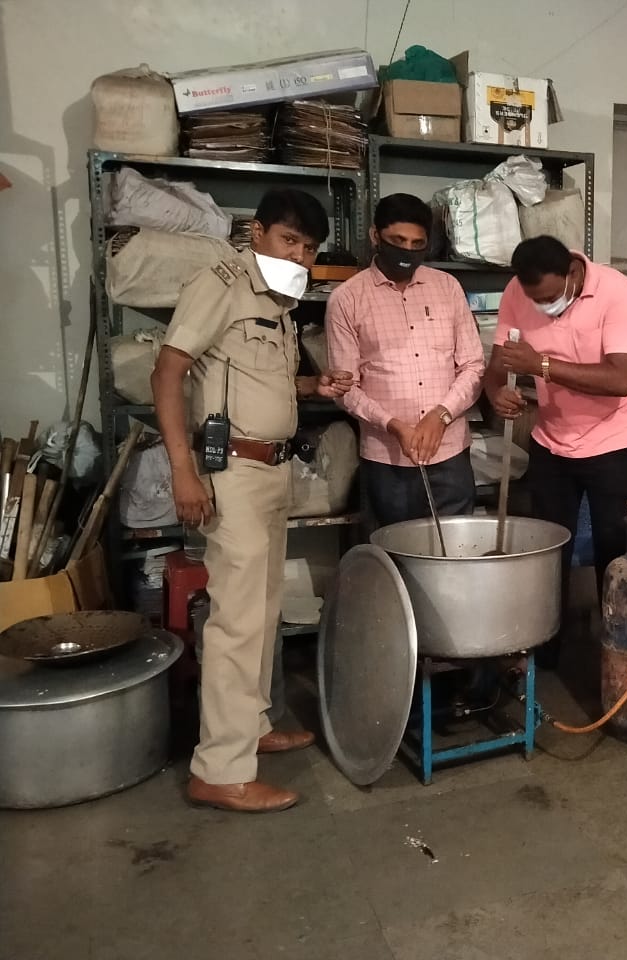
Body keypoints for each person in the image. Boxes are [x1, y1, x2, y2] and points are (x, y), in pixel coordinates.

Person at [152, 188, 353, 812]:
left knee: (263, 612)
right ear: (258, 232)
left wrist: (313, 383)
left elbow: (254, 377)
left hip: (270, 472)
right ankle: (219, 769)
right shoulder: (222, 280)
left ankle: (253, 730)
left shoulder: (278, 301)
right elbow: (168, 370)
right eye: (290, 240)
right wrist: (184, 472)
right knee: (239, 621)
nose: (300, 254)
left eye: (311, 248)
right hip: (229, 472)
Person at [484, 236, 627, 667]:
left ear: (573, 273)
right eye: (534, 299)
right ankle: (546, 650)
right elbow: (500, 362)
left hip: (608, 441)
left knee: (612, 551)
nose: (540, 306)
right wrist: (496, 392)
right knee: (548, 549)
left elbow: (619, 380)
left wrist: (543, 366)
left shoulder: (616, 291)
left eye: (550, 297)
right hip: (550, 441)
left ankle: (620, 648)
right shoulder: (519, 291)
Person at [325, 193, 485, 525]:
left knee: (453, 554)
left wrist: (440, 416)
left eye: (417, 244)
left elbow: (472, 366)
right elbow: (346, 387)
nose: (407, 251)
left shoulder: (447, 288)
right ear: (375, 237)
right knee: (392, 556)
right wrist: (393, 425)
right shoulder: (347, 299)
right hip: (387, 460)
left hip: (450, 456)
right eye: (398, 241)